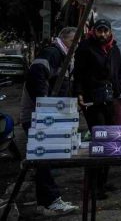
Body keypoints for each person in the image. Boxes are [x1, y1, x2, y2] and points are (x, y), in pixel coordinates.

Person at [19, 27, 79, 216]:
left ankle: (44, 202)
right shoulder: (53, 53)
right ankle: (51, 201)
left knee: (43, 159)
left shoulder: (65, 58)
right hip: (39, 117)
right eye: (74, 43)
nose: (76, 47)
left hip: (47, 116)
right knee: (43, 158)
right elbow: (36, 77)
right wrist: (46, 107)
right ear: (65, 40)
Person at [73, 19, 121, 199]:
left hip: (110, 100)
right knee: (100, 141)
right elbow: (77, 73)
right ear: (94, 31)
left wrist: (119, 88)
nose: (102, 34)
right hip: (92, 101)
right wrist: (79, 93)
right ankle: (93, 187)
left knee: (110, 140)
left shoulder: (114, 48)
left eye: (105, 31)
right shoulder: (85, 47)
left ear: (110, 32)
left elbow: (120, 71)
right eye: (99, 31)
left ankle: (103, 182)